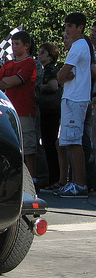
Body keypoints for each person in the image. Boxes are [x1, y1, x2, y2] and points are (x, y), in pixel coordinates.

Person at [54, 12, 92, 198]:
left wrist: (62, 76)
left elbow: (61, 75)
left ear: (80, 28)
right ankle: (74, 181)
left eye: (70, 26)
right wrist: (64, 76)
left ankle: (80, 183)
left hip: (76, 98)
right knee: (69, 141)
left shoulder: (79, 45)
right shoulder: (80, 46)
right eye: (66, 26)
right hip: (72, 97)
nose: (67, 30)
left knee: (75, 142)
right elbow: (65, 75)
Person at [0, 31, 38, 183]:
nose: (14, 47)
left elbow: (16, 80)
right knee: (12, 146)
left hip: (25, 109)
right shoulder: (8, 64)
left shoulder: (30, 63)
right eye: (13, 44)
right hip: (9, 110)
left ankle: (32, 179)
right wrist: (7, 81)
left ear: (26, 46)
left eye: (17, 44)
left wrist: (6, 80)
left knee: (29, 148)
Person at [38, 43, 62, 189]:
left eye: (42, 53)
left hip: (50, 110)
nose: (39, 55)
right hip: (49, 110)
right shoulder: (45, 69)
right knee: (48, 142)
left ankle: (53, 178)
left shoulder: (50, 69)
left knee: (50, 143)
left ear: (50, 56)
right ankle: (53, 177)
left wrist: (38, 87)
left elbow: (53, 86)